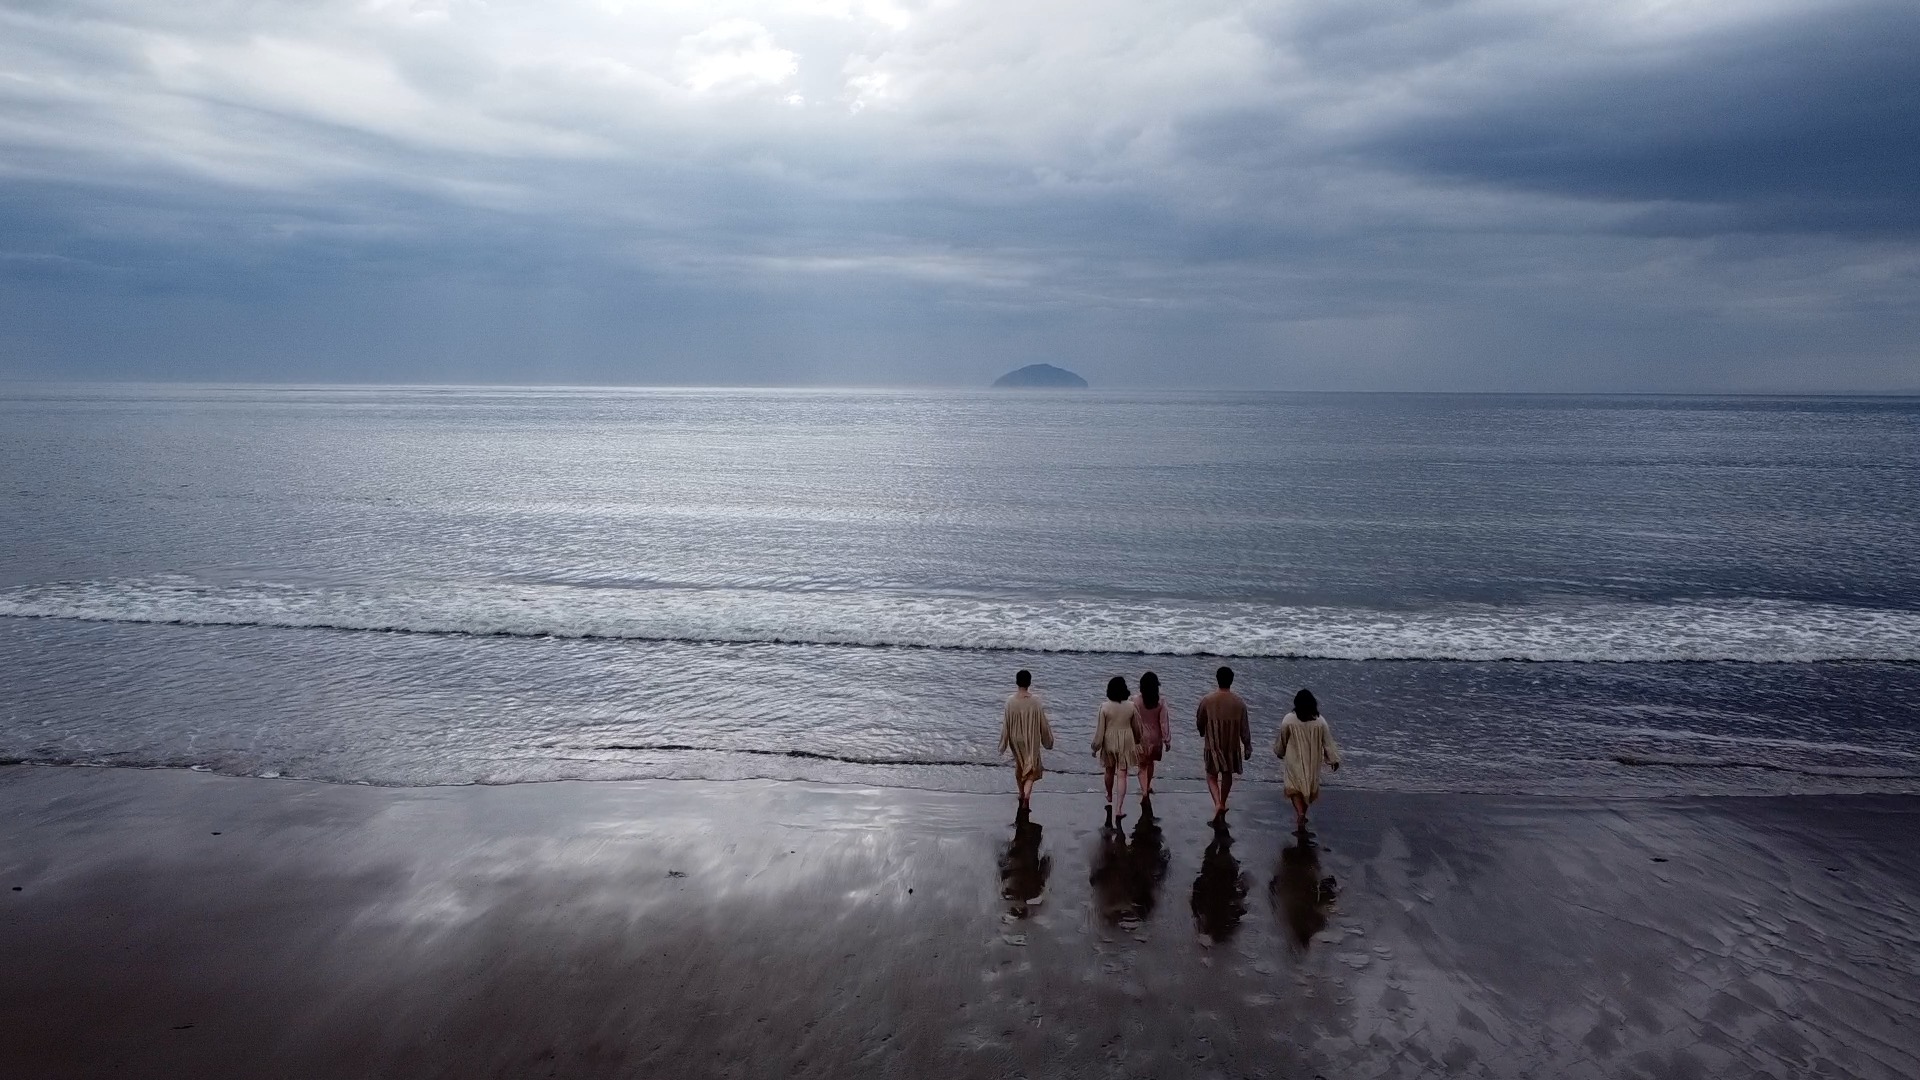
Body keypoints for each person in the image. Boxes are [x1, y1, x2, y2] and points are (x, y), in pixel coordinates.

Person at [1274, 688, 1341, 833]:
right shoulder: (1320, 721)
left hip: (1294, 759)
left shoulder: (1288, 719)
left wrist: (1280, 752)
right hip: (1312, 761)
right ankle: (1302, 814)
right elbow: (1328, 742)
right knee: (1307, 788)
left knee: (1294, 788)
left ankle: (1300, 814)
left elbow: (1282, 739)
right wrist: (1334, 760)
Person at [1195, 665, 1252, 821]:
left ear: (1217, 679)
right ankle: (1223, 802)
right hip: (1231, 746)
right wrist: (1247, 746)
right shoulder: (1239, 703)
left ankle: (1217, 803)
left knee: (1211, 774)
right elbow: (1244, 728)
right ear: (1231, 681)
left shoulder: (1207, 700)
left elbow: (1200, 720)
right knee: (1227, 774)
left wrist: (1202, 732)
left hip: (1213, 744)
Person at [998, 669, 1054, 812]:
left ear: (1017, 682)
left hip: (1015, 738)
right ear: (1029, 683)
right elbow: (1043, 723)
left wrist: (1003, 742)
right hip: (1030, 738)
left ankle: (1021, 793)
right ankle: (1027, 797)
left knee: (1020, 764)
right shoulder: (1035, 701)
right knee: (1031, 769)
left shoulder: (1010, 701)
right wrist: (1047, 740)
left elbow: (1006, 723)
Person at [1091, 675, 1142, 821]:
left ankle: (1108, 794)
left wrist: (1095, 748)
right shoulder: (1131, 706)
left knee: (1109, 770)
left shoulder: (1104, 707)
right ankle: (1119, 808)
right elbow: (1137, 728)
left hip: (1109, 741)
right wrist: (1137, 741)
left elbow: (1100, 732)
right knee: (1122, 775)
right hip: (1126, 741)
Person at [1131, 671, 1171, 807]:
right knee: (1151, 763)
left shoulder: (1135, 700)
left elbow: (1132, 720)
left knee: (1142, 766)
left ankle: (1144, 791)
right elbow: (1164, 722)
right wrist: (1167, 739)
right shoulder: (1160, 702)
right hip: (1155, 737)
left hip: (1141, 736)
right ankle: (1148, 786)